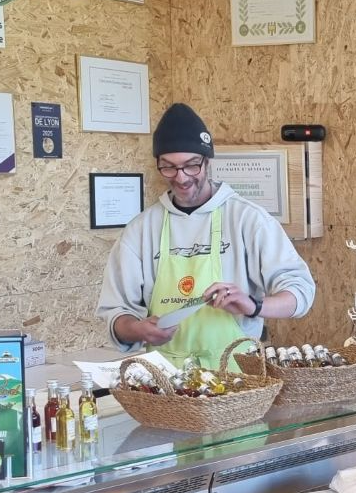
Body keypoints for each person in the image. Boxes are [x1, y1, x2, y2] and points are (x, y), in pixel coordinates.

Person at [96, 103, 315, 369]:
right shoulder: (141, 229)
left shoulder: (248, 219)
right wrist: (138, 329)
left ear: (207, 161)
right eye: (169, 167)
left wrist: (252, 306)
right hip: (165, 384)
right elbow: (116, 314)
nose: (181, 177)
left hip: (237, 377)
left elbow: (300, 293)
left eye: (191, 166)